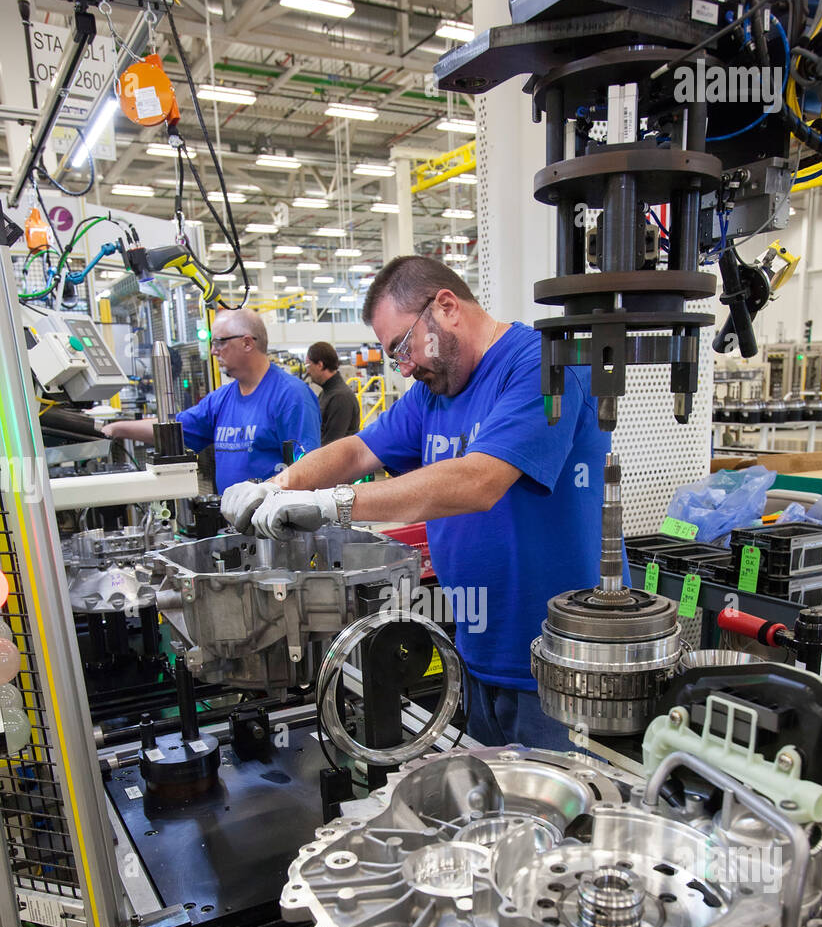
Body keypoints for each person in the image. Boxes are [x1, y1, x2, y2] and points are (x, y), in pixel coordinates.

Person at [222, 257, 612, 749]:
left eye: (402, 347)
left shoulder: (541, 364)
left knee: (558, 819)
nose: (404, 368)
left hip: (555, 671)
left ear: (445, 307)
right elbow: (358, 449)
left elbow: (480, 481)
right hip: (476, 657)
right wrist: (278, 485)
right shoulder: (434, 392)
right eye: (393, 356)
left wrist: (332, 505)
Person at [103, 308, 321, 494]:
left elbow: (309, 469)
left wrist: (264, 494)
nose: (213, 351)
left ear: (247, 343)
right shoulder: (221, 399)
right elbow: (173, 429)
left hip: (276, 527)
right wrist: (115, 429)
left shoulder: (291, 396)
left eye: (219, 342)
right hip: (235, 525)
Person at [305, 342, 360, 445]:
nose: (307, 371)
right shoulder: (326, 393)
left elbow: (332, 443)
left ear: (320, 365)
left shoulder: (340, 397)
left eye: (308, 366)